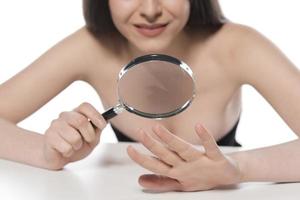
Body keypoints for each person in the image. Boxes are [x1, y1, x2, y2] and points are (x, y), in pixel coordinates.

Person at [0, 0, 299, 192]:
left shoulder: (239, 46)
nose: (150, 9)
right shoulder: (90, 47)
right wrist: (45, 152)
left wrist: (237, 169)